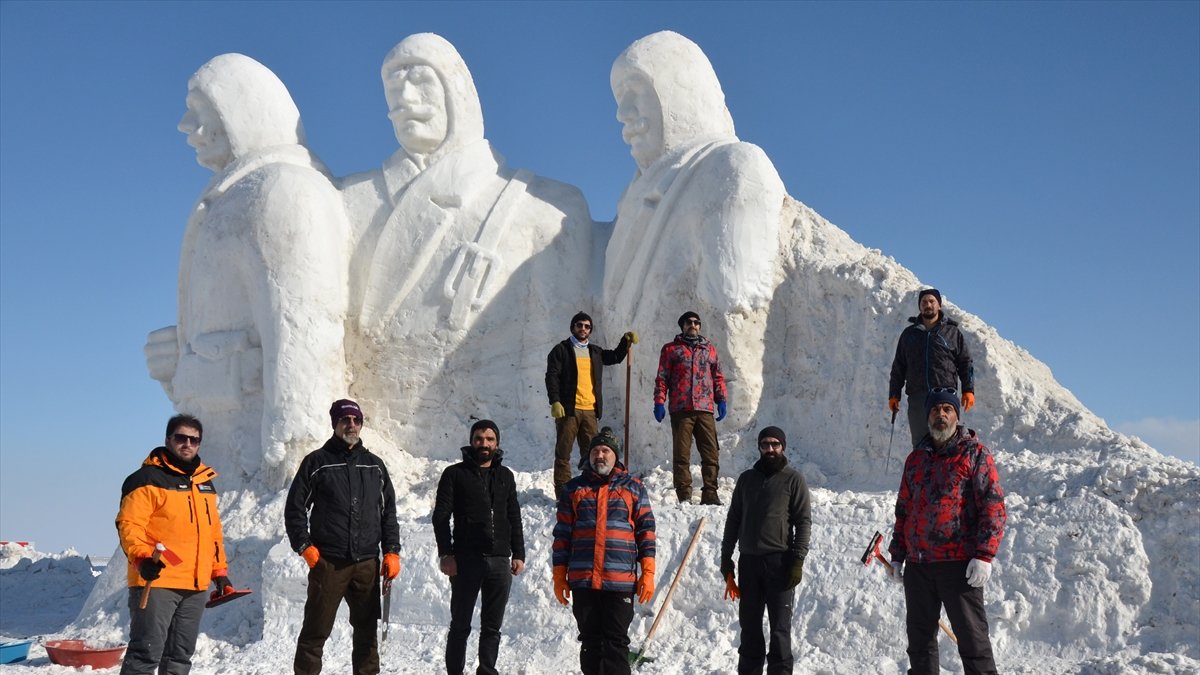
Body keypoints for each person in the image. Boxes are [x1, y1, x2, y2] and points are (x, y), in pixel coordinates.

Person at [339, 33, 593, 462]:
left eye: (420, 81)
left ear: (457, 93)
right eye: (392, 89)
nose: (402, 99)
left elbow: (552, 354)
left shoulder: (544, 206)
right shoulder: (348, 199)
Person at [144, 53, 350, 479]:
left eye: (202, 110)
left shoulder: (283, 190)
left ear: (241, 111)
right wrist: (180, 360)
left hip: (261, 466)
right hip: (219, 458)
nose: (186, 125)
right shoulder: (235, 195)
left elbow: (304, 333)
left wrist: (296, 457)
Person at [602, 31, 787, 458]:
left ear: (679, 92)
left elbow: (737, 302)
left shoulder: (732, 167)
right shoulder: (632, 201)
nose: (622, 114)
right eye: (618, 98)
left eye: (636, 93)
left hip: (722, 419)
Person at [888, 389, 1006, 675]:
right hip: (919, 567)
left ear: (956, 415)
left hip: (959, 565)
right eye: (935, 410)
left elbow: (993, 505)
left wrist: (984, 555)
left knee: (973, 642)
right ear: (927, 417)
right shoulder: (915, 460)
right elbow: (904, 509)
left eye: (947, 409)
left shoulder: (975, 453)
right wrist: (897, 554)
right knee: (919, 643)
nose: (940, 415)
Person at [284, 399, 402, 675]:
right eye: (345, 420)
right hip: (329, 563)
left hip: (366, 565)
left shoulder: (374, 466)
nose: (351, 425)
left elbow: (389, 512)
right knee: (315, 632)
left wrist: (392, 551)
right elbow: (294, 508)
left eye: (356, 420)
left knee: (366, 633)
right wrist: (305, 546)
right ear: (334, 423)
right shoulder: (317, 462)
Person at [116, 414, 233, 675]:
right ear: (168, 439)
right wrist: (142, 559)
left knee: (179, 657)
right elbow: (129, 525)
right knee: (145, 653)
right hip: (156, 580)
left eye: (194, 440)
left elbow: (213, 534)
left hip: (195, 585)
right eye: (181, 438)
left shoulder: (204, 483)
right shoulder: (146, 479)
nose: (187, 444)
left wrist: (219, 573)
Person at [552, 428, 656, 675]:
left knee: (615, 642)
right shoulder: (574, 489)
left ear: (615, 456)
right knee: (590, 642)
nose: (600, 455)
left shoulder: (633, 487)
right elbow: (563, 533)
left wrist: (648, 571)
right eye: (596, 450)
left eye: (605, 451)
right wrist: (559, 574)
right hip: (583, 579)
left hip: (619, 581)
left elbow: (646, 531)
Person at [432, 420, 526, 675]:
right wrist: (446, 554)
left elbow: (513, 515)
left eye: (489, 439)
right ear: (471, 441)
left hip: (498, 561)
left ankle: (487, 670)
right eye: (479, 439)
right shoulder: (454, 474)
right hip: (466, 560)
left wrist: (518, 553)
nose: (484, 444)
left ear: (497, 443)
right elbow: (441, 516)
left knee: (492, 626)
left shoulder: (505, 475)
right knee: (460, 625)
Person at [720, 426, 811, 675]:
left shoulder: (794, 480)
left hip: (780, 564)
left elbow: (803, 522)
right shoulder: (746, 479)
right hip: (748, 563)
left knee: (780, 630)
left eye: (775, 444)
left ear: (783, 447)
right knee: (749, 629)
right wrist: (726, 559)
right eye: (765, 445)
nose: (770, 449)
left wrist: (797, 561)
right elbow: (733, 519)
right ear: (759, 447)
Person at [545, 311, 637, 493]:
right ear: (573, 327)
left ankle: (590, 491)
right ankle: (563, 495)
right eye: (579, 325)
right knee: (563, 454)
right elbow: (552, 376)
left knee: (592, 454)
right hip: (569, 410)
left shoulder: (594, 351)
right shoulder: (561, 350)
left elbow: (615, 357)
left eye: (587, 326)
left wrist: (625, 342)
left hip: (590, 411)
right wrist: (555, 401)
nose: (583, 328)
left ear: (590, 330)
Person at [654, 311, 728, 504]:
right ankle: (684, 495)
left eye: (696, 322)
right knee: (681, 454)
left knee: (711, 452)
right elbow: (662, 378)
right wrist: (659, 401)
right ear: (682, 326)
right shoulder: (671, 349)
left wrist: (721, 399)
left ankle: (710, 492)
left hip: (705, 408)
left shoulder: (709, 349)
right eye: (688, 322)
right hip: (681, 409)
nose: (693, 325)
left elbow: (718, 376)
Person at [888, 288, 975, 447]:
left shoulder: (952, 332)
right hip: (918, 398)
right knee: (921, 444)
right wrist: (894, 394)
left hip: (944, 397)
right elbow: (899, 366)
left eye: (931, 301)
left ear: (939, 305)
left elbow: (965, 362)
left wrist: (968, 390)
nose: (928, 305)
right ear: (920, 307)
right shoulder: (909, 334)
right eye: (924, 302)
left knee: (946, 442)